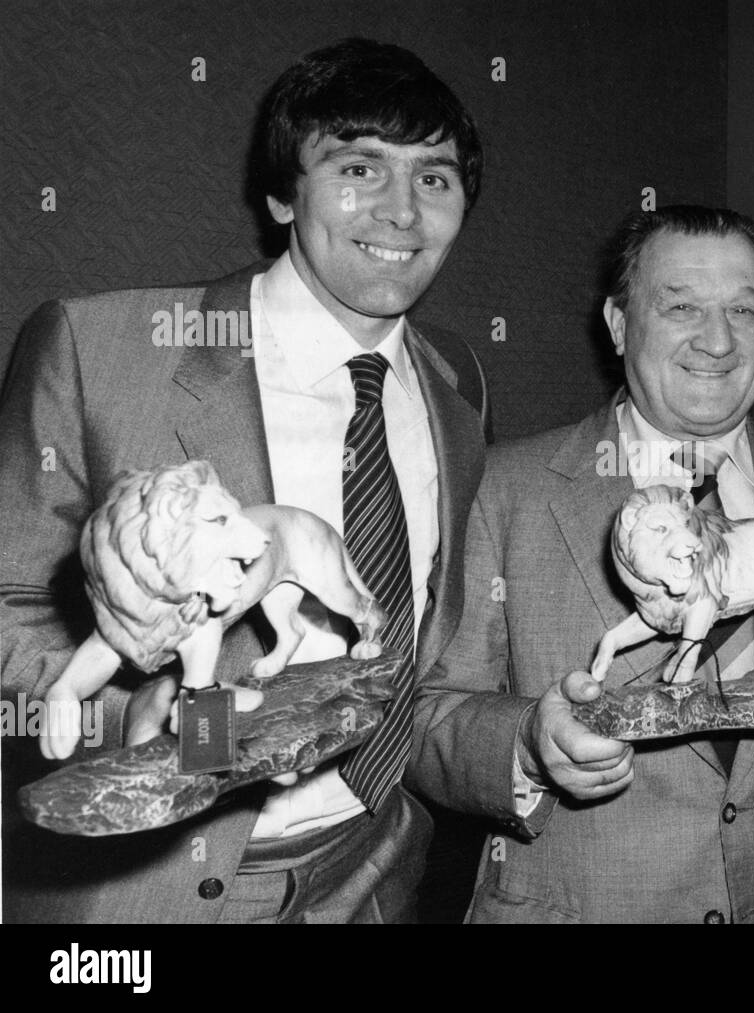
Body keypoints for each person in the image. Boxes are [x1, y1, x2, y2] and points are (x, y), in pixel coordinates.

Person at [0, 37, 488, 923]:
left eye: (434, 177)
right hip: (145, 898)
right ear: (280, 195)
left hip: (375, 869)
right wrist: (145, 708)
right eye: (358, 166)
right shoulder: (94, 349)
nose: (402, 211)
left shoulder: (457, 385)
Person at [409, 205, 754, 923]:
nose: (717, 340)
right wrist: (527, 742)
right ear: (619, 324)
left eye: (746, 309)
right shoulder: (500, 487)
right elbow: (426, 715)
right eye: (681, 306)